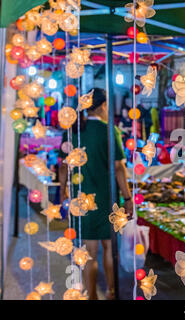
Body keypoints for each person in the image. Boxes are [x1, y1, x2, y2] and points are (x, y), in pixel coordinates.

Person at [59, 88, 132, 300]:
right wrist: (127, 198)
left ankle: (91, 296)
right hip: (107, 197)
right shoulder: (110, 130)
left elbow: (63, 166)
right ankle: (111, 292)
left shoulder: (73, 130)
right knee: (110, 248)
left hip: (81, 199)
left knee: (89, 252)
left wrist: (62, 190)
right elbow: (119, 167)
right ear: (102, 106)